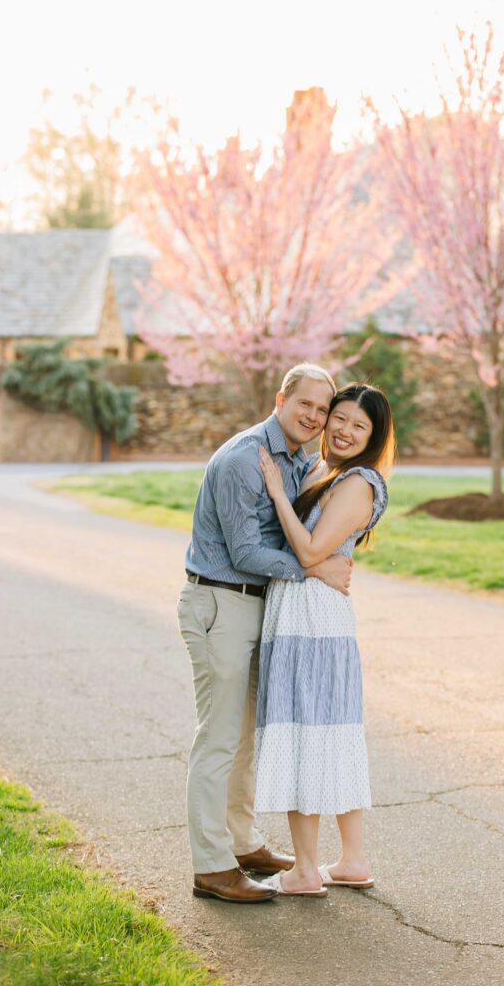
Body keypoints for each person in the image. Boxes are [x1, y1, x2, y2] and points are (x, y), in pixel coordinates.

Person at [178, 363, 354, 904]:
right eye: (306, 404)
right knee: (218, 738)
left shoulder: (301, 457)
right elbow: (245, 552)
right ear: (281, 398)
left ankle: (243, 844)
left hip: (262, 608)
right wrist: (316, 566)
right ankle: (211, 866)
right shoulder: (243, 458)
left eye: (323, 410)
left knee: (247, 741)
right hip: (221, 602)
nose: (315, 417)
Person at [254, 383, 394, 897]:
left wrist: (275, 492)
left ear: (374, 437)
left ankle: (306, 870)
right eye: (341, 418)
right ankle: (352, 860)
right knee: (328, 732)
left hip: (311, 621)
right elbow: (316, 560)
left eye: (360, 426)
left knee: (303, 732)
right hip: (309, 615)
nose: (345, 430)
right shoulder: (325, 471)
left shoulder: (359, 482)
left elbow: (311, 550)